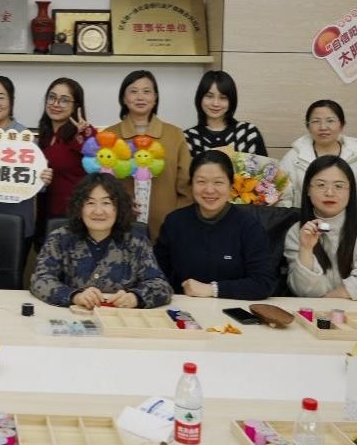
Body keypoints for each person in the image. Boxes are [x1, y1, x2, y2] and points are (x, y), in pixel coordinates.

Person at [31, 173, 173, 309]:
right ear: (79, 208)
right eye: (90, 202)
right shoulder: (60, 239)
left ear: (119, 208)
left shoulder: (136, 242)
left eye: (106, 203)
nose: (98, 211)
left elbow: (160, 286)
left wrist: (135, 297)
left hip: (119, 319)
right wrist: (74, 296)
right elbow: (40, 280)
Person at [154, 151, 275, 300]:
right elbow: (155, 275)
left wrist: (212, 289)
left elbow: (264, 283)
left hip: (231, 309)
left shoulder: (249, 226)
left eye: (218, 182)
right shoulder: (174, 222)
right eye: (201, 182)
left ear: (231, 185)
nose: (210, 190)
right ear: (191, 184)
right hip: (183, 308)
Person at [284, 156, 357, 300]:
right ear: (308, 190)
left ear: (350, 191)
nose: (330, 192)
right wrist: (306, 249)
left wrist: (325, 302)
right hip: (323, 311)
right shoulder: (298, 232)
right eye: (321, 185)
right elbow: (305, 292)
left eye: (339, 186)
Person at [105, 70, 192, 239]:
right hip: (119, 226)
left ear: (155, 98)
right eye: (133, 91)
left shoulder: (174, 135)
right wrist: (118, 203)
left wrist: (178, 220)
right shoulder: (110, 136)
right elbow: (100, 184)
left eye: (146, 91)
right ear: (123, 98)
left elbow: (186, 186)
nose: (140, 97)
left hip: (167, 227)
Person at [279, 99, 357, 210]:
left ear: (342, 125)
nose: (323, 127)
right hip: (306, 219)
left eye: (330, 121)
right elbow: (284, 198)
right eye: (316, 121)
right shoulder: (293, 157)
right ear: (308, 126)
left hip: (353, 219)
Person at [0, 75, 37, 239]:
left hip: (17, 225)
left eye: (1, 97)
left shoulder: (25, 137)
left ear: (11, 101)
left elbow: (38, 184)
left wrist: (43, 178)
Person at [36, 77, 93, 222]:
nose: (56, 104)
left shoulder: (84, 133)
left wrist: (85, 134)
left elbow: (103, 168)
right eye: (52, 97)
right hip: (44, 212)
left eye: (64, 100)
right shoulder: (44, 135)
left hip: (73, 215)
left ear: (76, 106)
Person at [182, 71, 267, 158]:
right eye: (209, 96)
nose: (215, 103)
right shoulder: (187, 138)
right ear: (200, 98)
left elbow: (266, 166)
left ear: (231, 101)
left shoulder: (248, 133)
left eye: (223, 98)